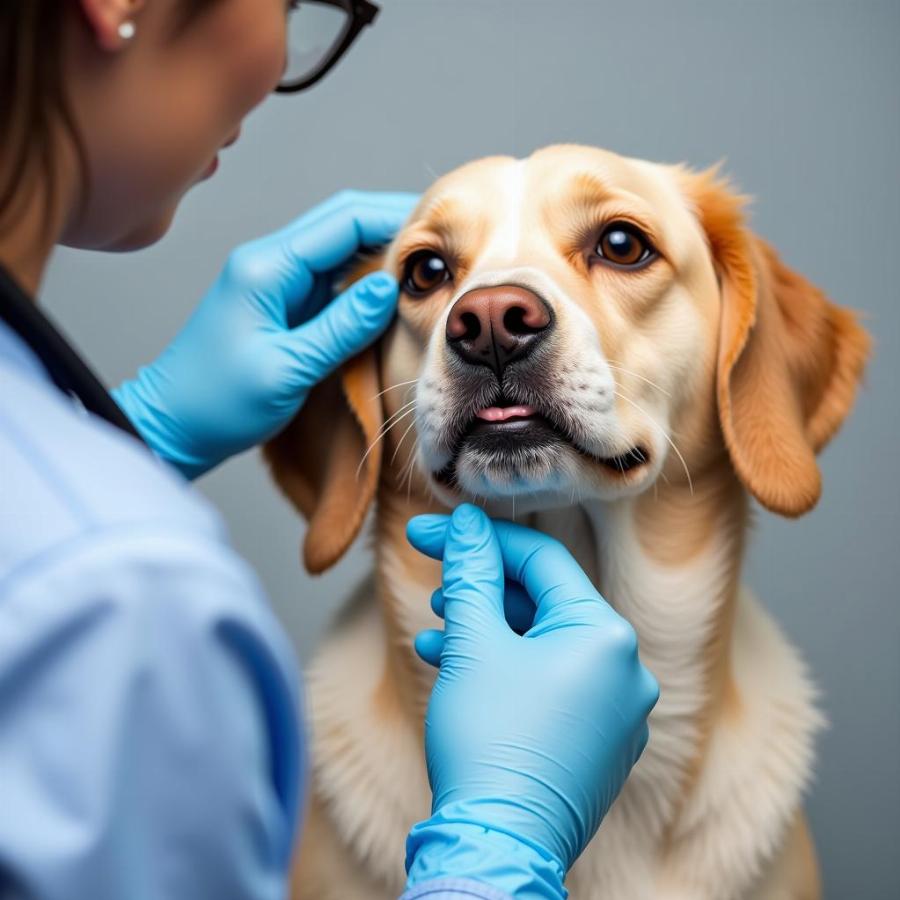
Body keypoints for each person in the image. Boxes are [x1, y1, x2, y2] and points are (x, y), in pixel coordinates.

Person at [0, 2, 659, 899]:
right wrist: (497, 848)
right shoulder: (124, 605)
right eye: (292, 1)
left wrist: (132, 443)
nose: (493, 316)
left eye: (619, 247)